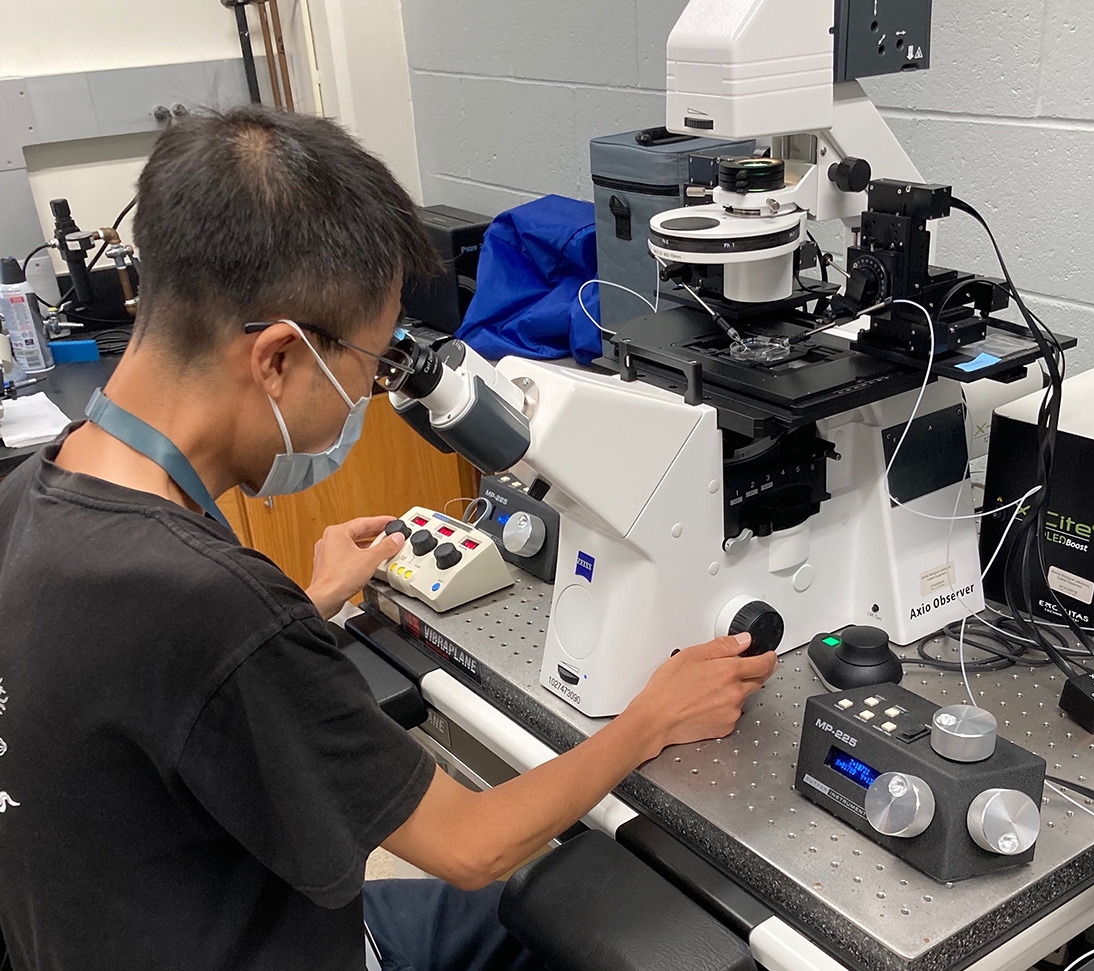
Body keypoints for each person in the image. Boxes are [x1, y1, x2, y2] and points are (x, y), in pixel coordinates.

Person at [0, 107, 777, 971]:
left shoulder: (31, 493)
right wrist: (650, 718)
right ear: (278, 359)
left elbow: (147, 689)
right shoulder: (220, 610)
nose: (363, 398)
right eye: (369, 366)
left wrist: (303, 602)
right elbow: (473, 844)